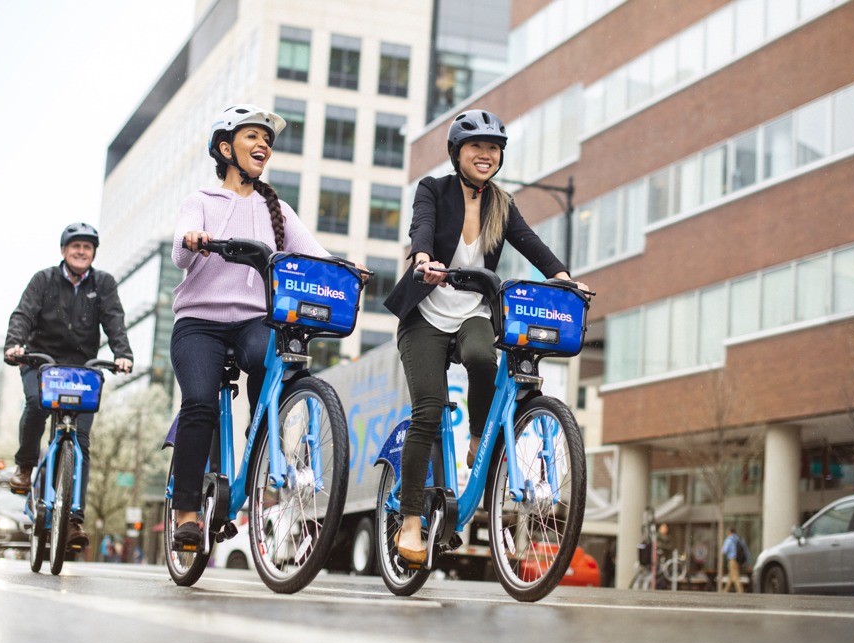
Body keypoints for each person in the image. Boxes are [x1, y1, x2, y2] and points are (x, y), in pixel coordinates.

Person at [382, 108, 588, 565]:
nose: (485, 155)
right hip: (426, 313)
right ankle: (412, 521)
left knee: (482, 357)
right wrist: (421, 257)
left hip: (473, 309)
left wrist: (563, 277)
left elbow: (529, 241)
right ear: (458, 152)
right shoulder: (433, 189)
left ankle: (478, 436)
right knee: (429, 409)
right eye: (476, 147)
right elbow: (422, 225)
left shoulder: (501, 204)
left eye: (492, 149)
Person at [168, 104, 345, 548]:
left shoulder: (276, 209)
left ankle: (258, 450)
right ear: (226, 148)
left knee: (277, 365)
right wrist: (193, 240)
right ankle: (187, 510)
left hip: (252, 319)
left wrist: (344, 268)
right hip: (199, 324)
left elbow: (313, 254)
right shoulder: (202, 201)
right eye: (252, 136)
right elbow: (180, 254)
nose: (263, 143)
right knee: (200, 405)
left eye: (267, 139)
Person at [4, 222, 134, 549]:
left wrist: (123, 354)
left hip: (81, 367)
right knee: (35, 404)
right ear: (64, 251)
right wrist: (16, 344)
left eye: (87, 247)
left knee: (80, 439)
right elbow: (23, 314)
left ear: (93, 254)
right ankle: (25, 467)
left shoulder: (103, 284)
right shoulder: (43, 280)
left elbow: (115, 320)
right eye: (74, 245)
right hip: (41, 360)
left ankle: (74, 518)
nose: (80, 251)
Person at [721, 527, 749, 593]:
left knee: (735, 576)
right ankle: (725, 590)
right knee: (731, 576)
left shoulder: (729, 540)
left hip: (732, 560)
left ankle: (740, 590)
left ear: (729, 532)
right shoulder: (738, 539)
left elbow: (724, 550)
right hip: (737, 560)